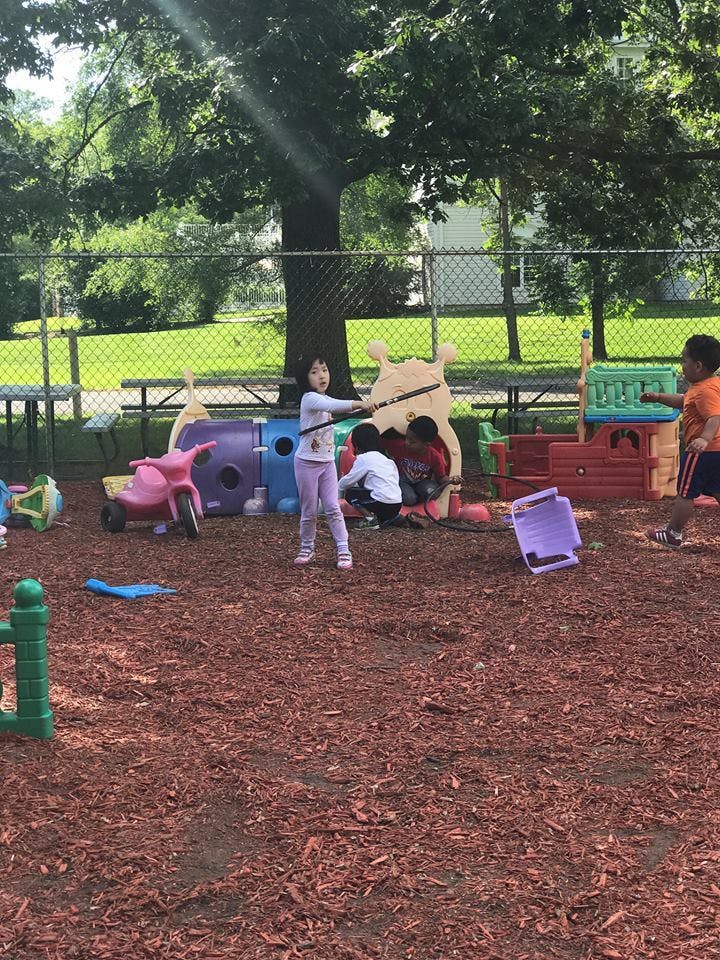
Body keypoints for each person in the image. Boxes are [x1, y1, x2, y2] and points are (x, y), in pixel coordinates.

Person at [293, 355, 375, 569]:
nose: (322, 375)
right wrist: (360, 403)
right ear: (305, 378)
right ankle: (307, 547)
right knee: (309, 510)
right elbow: (333, 404)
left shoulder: (325, 399)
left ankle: (343, 549)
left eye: (324, 369)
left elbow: (334, 405)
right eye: (314, 371)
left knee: (332, 507)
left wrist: (363, 408)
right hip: (306, 463)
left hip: (327, 462)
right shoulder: (310, 399)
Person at [641, 333, 720, 548]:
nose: (681, 365)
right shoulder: (709, 384)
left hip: (702, 452)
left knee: (685, 493)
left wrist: (703, 439)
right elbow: (684, 402)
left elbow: (715, 416)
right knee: (717, 490)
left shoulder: (704, 391)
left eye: (684, 360)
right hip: (717, 451)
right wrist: (659, 398)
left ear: (698, 366)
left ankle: (673, 534)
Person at [382, 415, 462, 506]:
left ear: (426, 444)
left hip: (421, 483)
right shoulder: (399, 446)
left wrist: (451, 480)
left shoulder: (434, 456)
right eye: (406, 438)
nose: (407, 443)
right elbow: (381, 444)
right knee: (409, 498)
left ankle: (419, 500)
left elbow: (441, 477)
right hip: (401, 481)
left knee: (433, 492)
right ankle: (413, 499)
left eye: (412, 441)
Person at [337, 423, 403, 530]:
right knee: (375, 493)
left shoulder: (364, 459)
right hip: (397, 503)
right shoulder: (386, 460)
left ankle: (370, 519)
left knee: (351, 494)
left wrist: (337, 495)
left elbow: (348, 480)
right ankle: (390, 518)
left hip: (381, 503)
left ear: (356, 446)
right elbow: (395, 478)